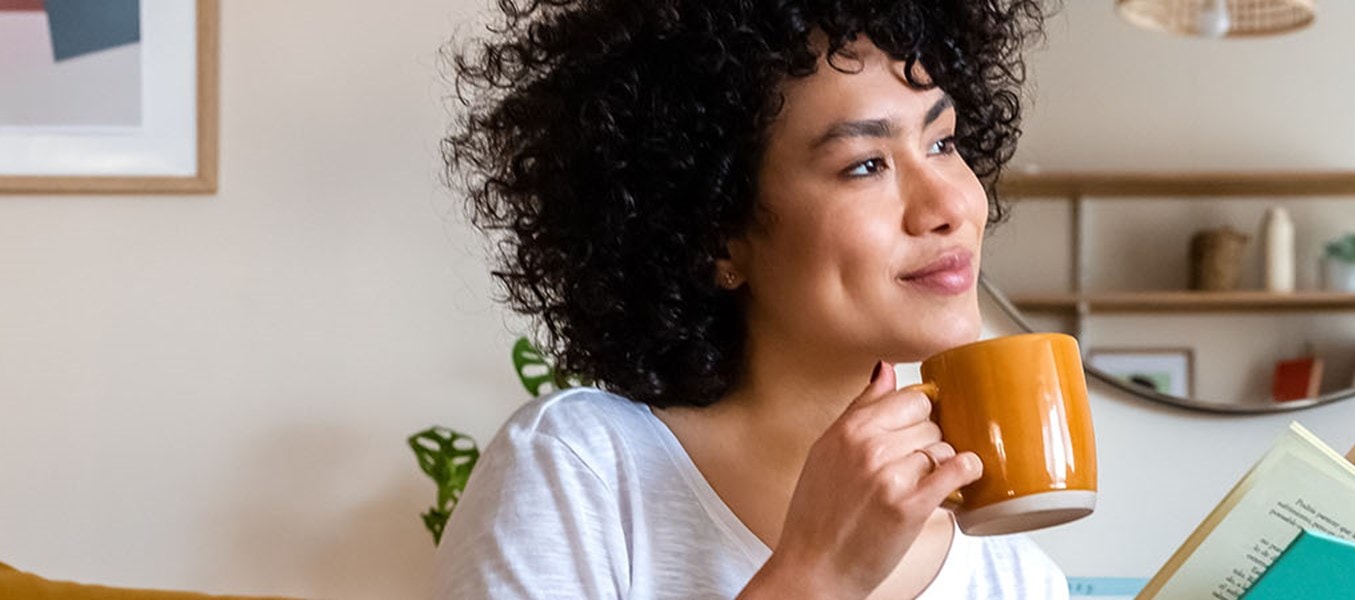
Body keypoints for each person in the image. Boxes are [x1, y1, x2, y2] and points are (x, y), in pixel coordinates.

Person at [432, 0, 1060, 597]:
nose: (950, 205)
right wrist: (817, 577)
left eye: (942, 144)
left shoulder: (1016, 578)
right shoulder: (578, 473)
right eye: (866, 164)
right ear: (719, 237)